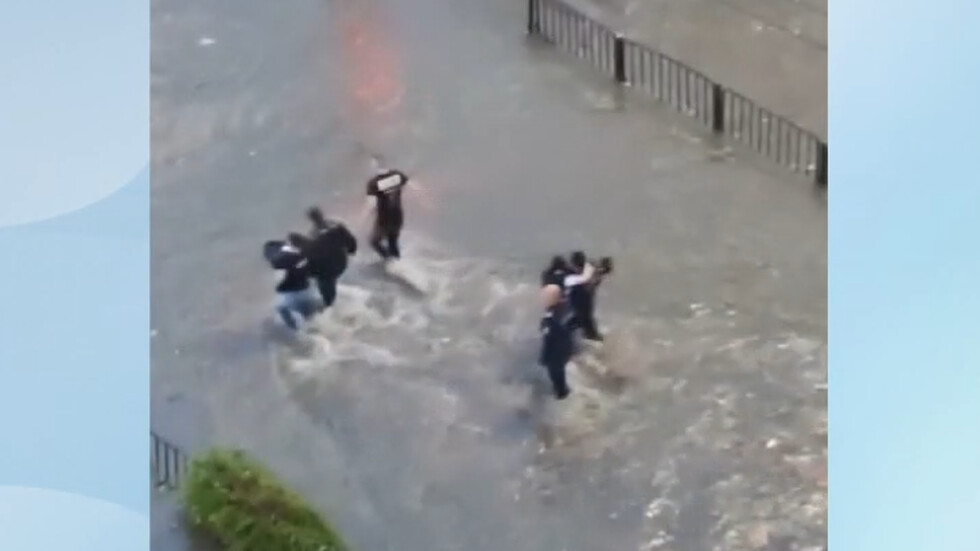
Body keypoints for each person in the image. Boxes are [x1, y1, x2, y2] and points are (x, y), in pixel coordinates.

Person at [263, 233, 321, 330]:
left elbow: (276, 262)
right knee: (311, 316)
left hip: (292, 294)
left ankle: (298, 331)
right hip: (308, 290)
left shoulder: (282, 258)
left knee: (282, 309)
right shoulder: (306, 254)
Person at [304, 207, 357, 310]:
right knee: (327, 278)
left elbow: (312, 258)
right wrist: (351, 251)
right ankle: (332, 302)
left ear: (311, 220)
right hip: (341, 262)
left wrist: (309, 273)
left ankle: (330, 307)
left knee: (323, 282)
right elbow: (351, 241)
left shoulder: (313, 236)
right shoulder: (336, 225)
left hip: (328, 268)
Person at [362, 157, 410, 261]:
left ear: (375, 166)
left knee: (373, 241)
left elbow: (372, 203)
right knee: (393, 241)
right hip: (397, 216)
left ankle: (388, 260)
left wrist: (363, 216)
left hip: (383, 219)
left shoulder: (373, 183)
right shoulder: (397, 175)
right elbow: (412, 186)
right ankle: (397, 262)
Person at [539, 284, 576, 400]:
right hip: (566, 347)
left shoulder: (549, 319)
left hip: (556, 354)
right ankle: (564, 391)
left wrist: (543, 357)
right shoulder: (566, 306)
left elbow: (548, 340)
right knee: (561, 373)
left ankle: (562, 394)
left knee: (557, 378)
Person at [565, 251, 603, 342]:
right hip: (581, 310)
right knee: (582, 327)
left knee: (588, 330)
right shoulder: (580, 274)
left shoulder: (585, 278)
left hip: (583, 310)